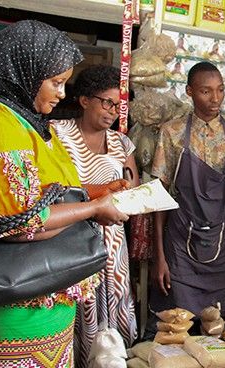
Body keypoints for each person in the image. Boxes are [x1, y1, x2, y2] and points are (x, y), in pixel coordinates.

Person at [0, 20, 128, 367]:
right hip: (7, 319)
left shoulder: (26, 121)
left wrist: (97, 191)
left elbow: (50, 194)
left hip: (46, 311)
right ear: (23, 70)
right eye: (55, 82)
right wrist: (95, 208)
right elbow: (21, 223)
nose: (62, 93)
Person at [148, 62, 225, 327]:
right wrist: (159, 256)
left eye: (220, 90)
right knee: (179, 323)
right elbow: (158, 194)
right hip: (181, 243)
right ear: (189, 92)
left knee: (223, 323)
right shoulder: (172, 131)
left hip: (224, 244)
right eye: (206, 91)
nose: (215, 98)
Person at [52, 65, 139, 366]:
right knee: (75, 317)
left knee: (111, 332)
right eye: (107, 102)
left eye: (118, 105)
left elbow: (132, 193)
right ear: (84, 99)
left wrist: (134, 195)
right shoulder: (57, 135)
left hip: (112, 246)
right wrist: (102, 193)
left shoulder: (122, 144)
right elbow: (52, 192)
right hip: (68, 240)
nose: (113, 111)